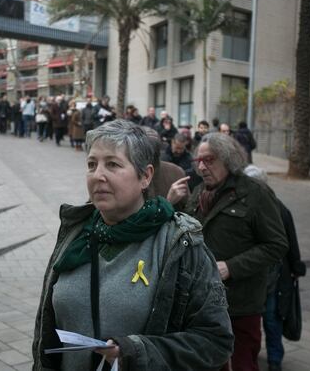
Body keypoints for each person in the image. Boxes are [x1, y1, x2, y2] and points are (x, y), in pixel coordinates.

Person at [32, 120, 234, 371]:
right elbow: (46, 333)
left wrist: (136, 353)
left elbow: (215, 341)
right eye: (92, 164)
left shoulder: (180, 245)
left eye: (113, 164)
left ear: (145, 176)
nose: (98, 175)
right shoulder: (75, 233)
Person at [184, 133, 288, 371]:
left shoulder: (255, 193)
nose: (201, 167)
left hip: (240, 305)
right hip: (201, 304)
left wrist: (231, 267)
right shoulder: (199, 191)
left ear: (228, 159)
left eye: (208, 160)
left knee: (241, 365)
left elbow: (276, 245)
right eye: (198, 161)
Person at [244, 165, 306, 371]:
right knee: (260, 322)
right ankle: (265, 359)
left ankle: (273, 361)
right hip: (251, 276)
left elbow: (290, 243)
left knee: (271, 321)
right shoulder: (244, 207)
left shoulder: (279, 209)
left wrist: (296, 267)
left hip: (272, 277)